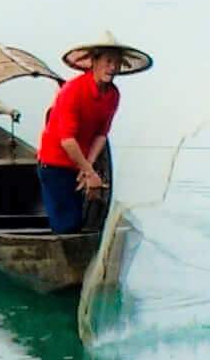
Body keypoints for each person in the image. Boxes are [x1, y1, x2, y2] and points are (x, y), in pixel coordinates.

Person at [38, 39, 144, 238]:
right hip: (55, 163)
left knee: (79, 219)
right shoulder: (73, 90)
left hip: (80, 164)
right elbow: (67, 140)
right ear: (94, 61)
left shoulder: (113, 95)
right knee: (65, 226)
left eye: (117, 63)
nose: (112, 68)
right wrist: (89, 171)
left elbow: (101, 134)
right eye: (108, 61)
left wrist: (88, 167)